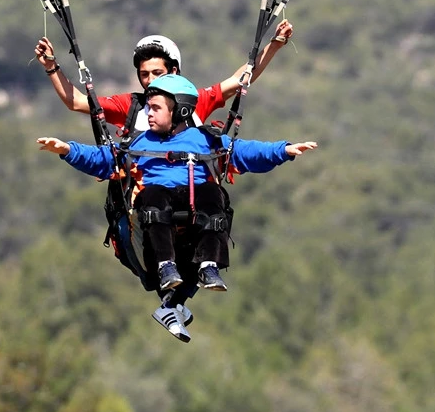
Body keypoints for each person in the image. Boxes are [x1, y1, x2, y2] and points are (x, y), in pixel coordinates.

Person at [37, 74, 318, 341]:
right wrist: (67, 150)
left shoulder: (206, 141)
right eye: (148, 106)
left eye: (156, 108)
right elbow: (102, 159)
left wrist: (284, 151)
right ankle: (166, 266)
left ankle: (209, 265)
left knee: (213, 192)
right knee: (154, 195)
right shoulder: (138, 143)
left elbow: (247, 152)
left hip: (196, 206)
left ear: (179, 112)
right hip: (156, 212)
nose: (148, 113)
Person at [34, 21, 294, 135]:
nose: (149, 81)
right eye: (144, 74)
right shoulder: (130, 106)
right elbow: (77, 102)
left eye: (157, 74)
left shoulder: (196, 102)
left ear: (174, 72)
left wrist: (275, 46)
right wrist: (51, 66)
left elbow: (241, 79)